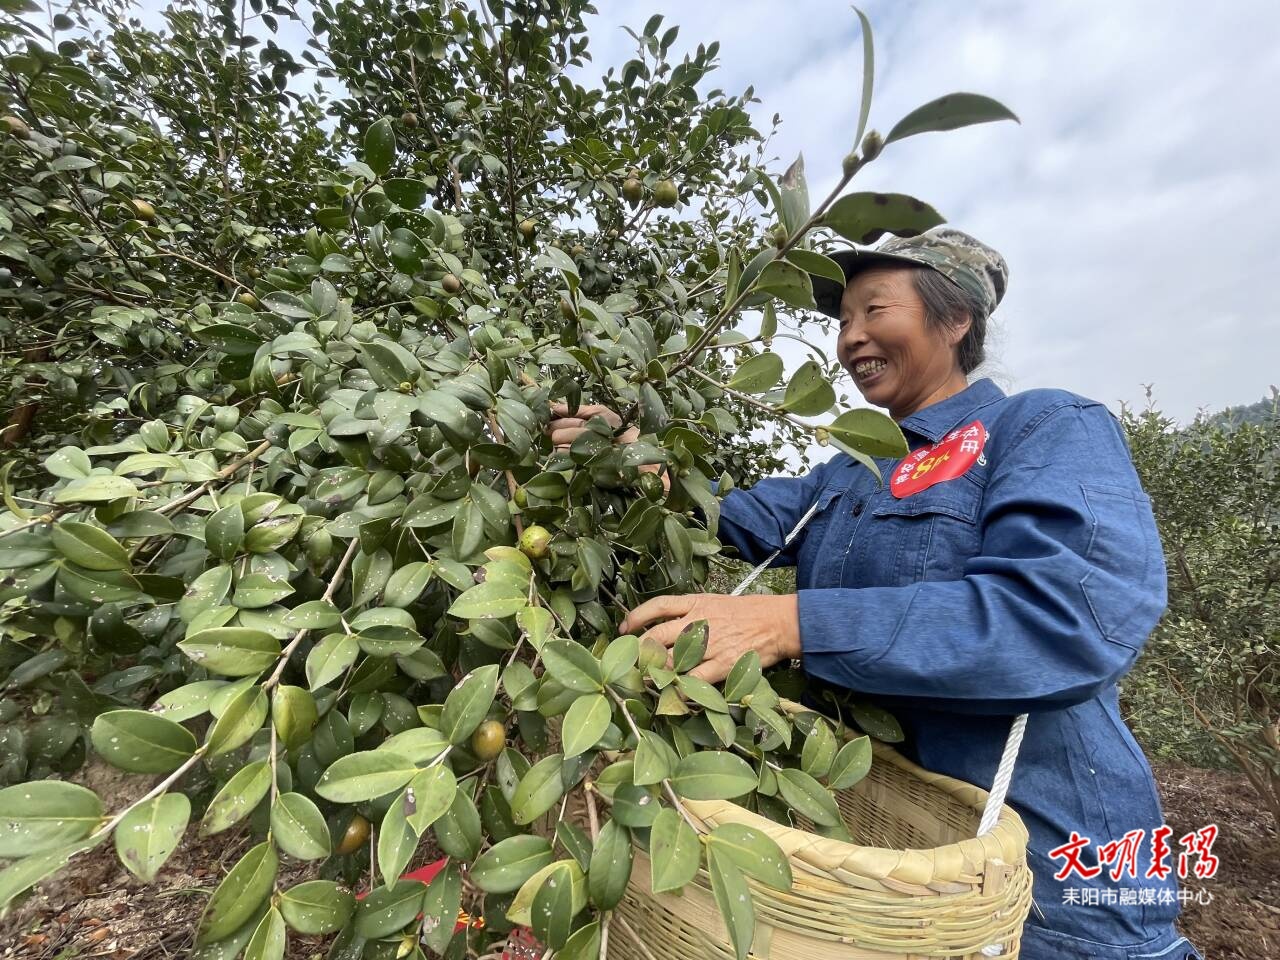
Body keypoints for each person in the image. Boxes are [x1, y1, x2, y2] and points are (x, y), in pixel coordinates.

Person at [545, 227, 1204, 960]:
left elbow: (1061, 621)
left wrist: (789, 623)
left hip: (1054, 891)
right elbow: (718, 510)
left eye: (874, 311)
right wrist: (634, 454)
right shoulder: (850, 474)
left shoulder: (1042, 428)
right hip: (895, 884)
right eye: (842, 321)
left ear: (955, 321)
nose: (850, 338)